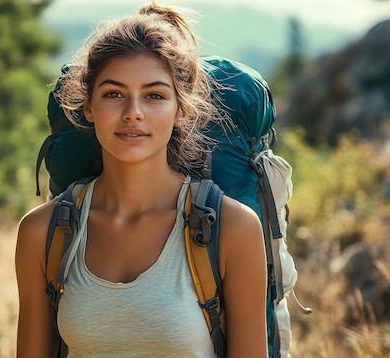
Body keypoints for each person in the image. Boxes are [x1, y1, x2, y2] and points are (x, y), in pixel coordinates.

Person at [15, 1, 268, 357]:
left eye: (154, 96)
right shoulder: (43, 232)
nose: (133, 113)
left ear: (181, 109)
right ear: (88, 106)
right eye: (114, 94)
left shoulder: (232, 229)